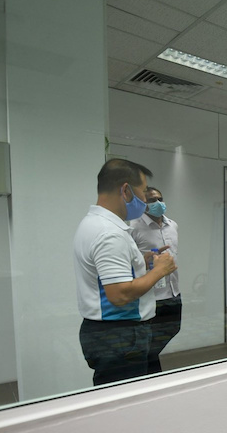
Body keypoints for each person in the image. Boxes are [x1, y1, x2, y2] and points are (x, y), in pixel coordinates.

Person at [73, 158, 176, 386]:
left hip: (111, 334)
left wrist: (141, 261)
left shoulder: (94, 224)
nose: (144, 200)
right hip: (120, 335)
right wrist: (160, 270)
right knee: (123, 407)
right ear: (126, 190)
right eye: (143, 192)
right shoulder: (110, 234)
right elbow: (119, 294)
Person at [128, 187, 181, 374]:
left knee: (172, 329)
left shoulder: (172, 225)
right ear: (143, 204)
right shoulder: (133, 228)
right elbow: (128, 262)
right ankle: (150, 375)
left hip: (173, 292)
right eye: (152, 200)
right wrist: (145, 260)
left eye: (160, 198)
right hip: (152, 296)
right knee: (148, 344)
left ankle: (149, 372)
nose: (157, 203)